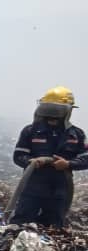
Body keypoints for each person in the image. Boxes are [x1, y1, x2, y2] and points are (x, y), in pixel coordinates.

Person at [11, 86, 86, 228]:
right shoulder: (31, 131)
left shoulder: (76, 134)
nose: (53, 114)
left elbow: (86, 158)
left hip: (59, 191)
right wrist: (30, 162)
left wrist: (68, 164)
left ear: (68, 110)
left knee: (53, 229)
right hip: (32, 189)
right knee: (20, 225)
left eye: (57, 109)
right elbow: (18, 156)